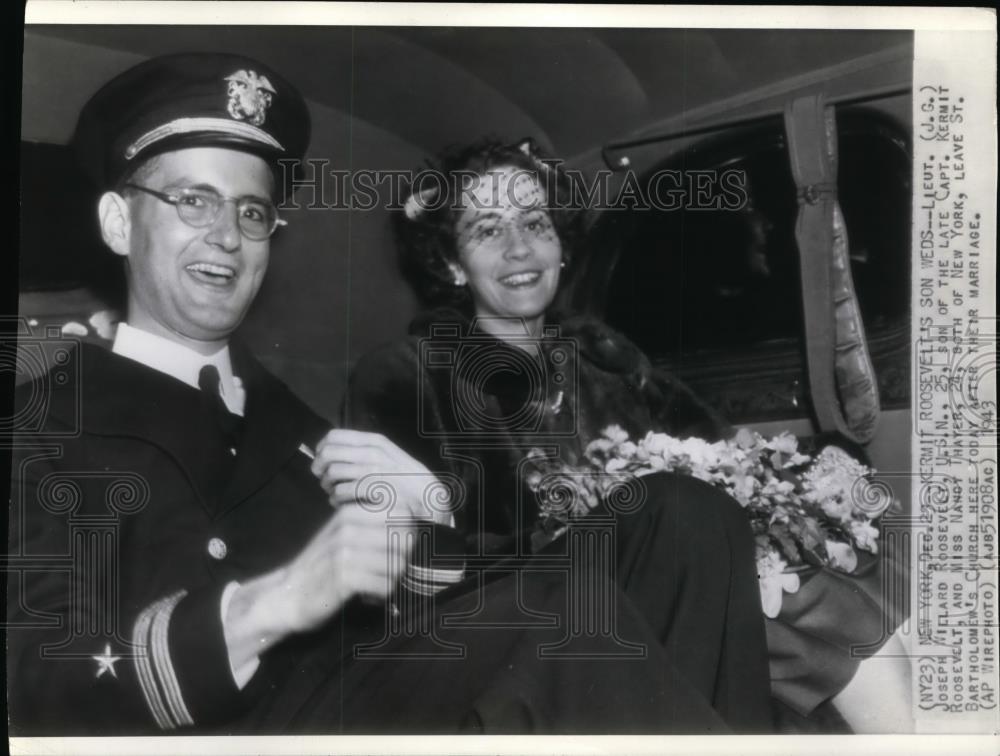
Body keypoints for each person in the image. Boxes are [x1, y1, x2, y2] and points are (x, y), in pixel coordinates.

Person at [7, 55, 766, 736]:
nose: (228, 236)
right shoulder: (42, 429)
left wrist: (429, 519)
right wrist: (263, 608)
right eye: (192, 203)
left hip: (360, 701)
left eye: (251, 211)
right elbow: (35, 684)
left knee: (684, 517)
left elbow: (420, 633)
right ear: (116, 222)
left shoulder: (300, 427)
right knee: (566, 618)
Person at [344, 137, 906, 732]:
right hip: (541, 617)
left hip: (678, 583)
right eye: (487, 230)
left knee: (845, 556)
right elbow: (421, 571)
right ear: (453, 264)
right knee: (789, 598)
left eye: (535, 222)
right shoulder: (409, 375)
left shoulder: (608, 359)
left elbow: (723, 452)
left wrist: (811, 480)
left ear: (559, 244)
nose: (519, 248)